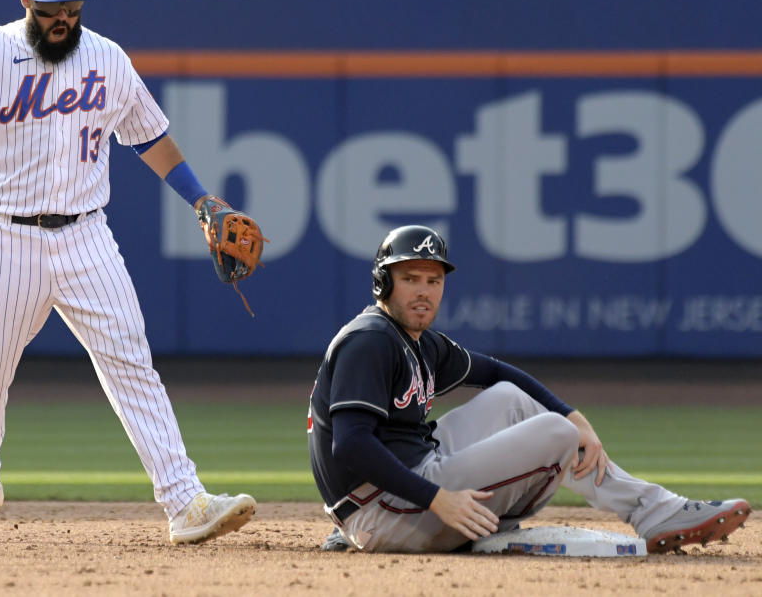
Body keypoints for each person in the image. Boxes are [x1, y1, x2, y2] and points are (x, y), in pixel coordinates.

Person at [0, 0, 257, 544]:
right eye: (49, 8)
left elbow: (152, 138)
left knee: (131, 364)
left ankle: (185, 502)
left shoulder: (107, 58)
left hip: (86, 236)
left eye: (71, 5)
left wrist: (203, 201)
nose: (62, 17)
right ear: (25, 1)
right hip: (4, 236)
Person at [309, 225, 751, 553]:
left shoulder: (417, 341)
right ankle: (655, 513)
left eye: (433, 280)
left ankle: (655, 508)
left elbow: (500, 371)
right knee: (556, 435)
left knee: (516, 402)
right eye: (410, 279)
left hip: (394, 493)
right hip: (382, 510)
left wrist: (575, 414)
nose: (424, 291)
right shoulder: (371, 340)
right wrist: (437, 499)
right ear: (383, 283)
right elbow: (350, 446)